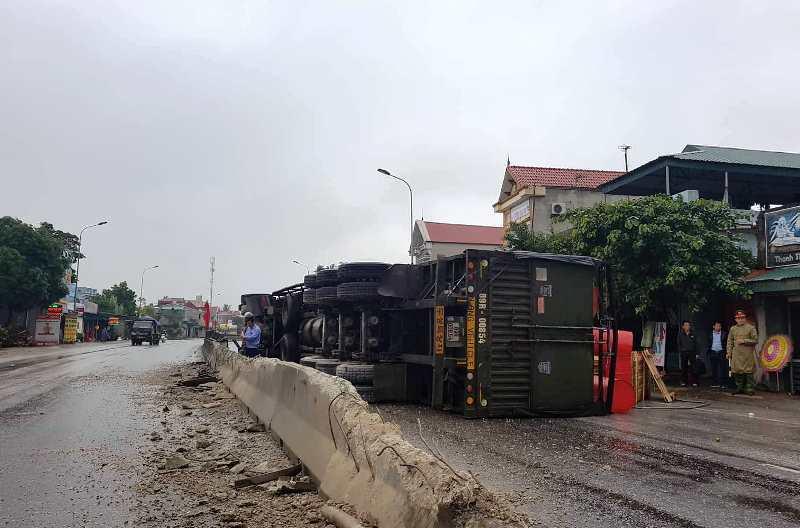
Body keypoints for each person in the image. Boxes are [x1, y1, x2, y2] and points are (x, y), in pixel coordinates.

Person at [727, 310, 758, 396]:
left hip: (747, 354)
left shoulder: (751, 328)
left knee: (748, 371)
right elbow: (729, 341)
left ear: (745, 318)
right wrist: (728, 352)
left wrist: (744, 341)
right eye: (738, 318)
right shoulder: (733, 329)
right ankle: (739, 388)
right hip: (736, 354)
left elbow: (755, 340)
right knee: (737, 371)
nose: (740, 320)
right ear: (735, 319)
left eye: (742, 318)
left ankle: (749, 389)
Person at [678, 320, 698, 387]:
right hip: (684, 352)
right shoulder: (680, 334)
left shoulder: (693, 333)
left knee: (693, 367)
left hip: (692, 352)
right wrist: (681, 350)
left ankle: (694, 382)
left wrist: (697, 353)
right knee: (684, 367)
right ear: (683, 326)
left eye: (688, 325)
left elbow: (696, 344)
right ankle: (684, 381)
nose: (687, 326)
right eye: (685, 325)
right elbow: (678, 343)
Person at [708, 321, 728, 388]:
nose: (718, 327)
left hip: (721, 352)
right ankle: (715, 383)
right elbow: (709, 343)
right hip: (713, 352)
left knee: (723, 368)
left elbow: (727, 343)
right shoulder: (710, 334)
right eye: (717, 326)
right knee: (714, 368)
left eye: (719, 326)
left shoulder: (724, 334)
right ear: (713, 326)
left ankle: (723, 383)